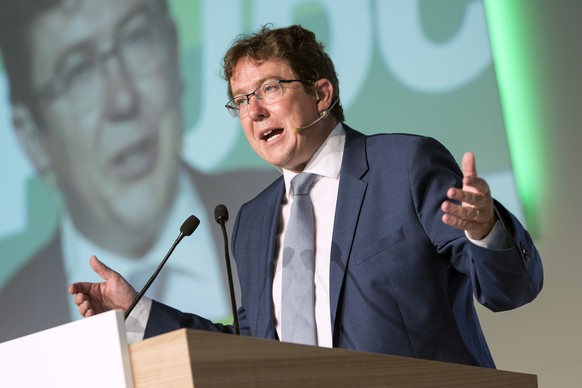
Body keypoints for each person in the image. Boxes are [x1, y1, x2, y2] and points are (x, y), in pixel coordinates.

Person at [69, 25, 543, 368]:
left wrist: (485, 230)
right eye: (240, 100)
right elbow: (253, 347)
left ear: (321, 94)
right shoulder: (253, 222)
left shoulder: (403, 165)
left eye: (270, 88)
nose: (253, 111)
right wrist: (140, 311)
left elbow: (510, 291)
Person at [0, 0, 277, 342]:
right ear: (32, 137)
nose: (123, 100)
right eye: (77, 72)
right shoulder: (9, 315)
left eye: (136, 40)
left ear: (174, 54)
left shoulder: (273, 215)